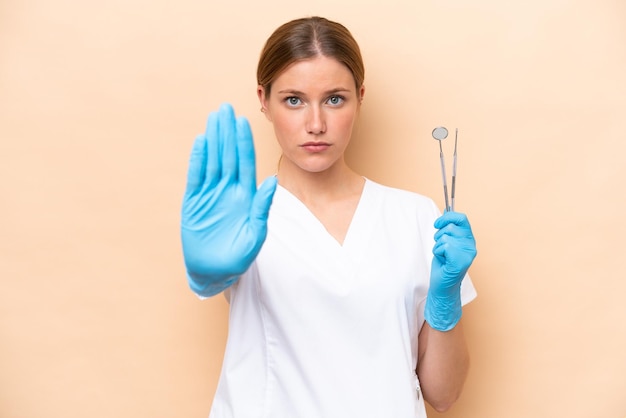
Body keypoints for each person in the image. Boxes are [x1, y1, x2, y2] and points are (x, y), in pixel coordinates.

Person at [181, 16, 477, 418]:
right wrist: (206, 274)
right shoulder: (244, 218)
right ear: (263, 100)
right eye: (294, 100)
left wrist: (446, 302)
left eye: (334, 99)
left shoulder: (414, 217)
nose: (316, 124)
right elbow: (215, 273)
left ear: (360, 96)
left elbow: (443, 395)